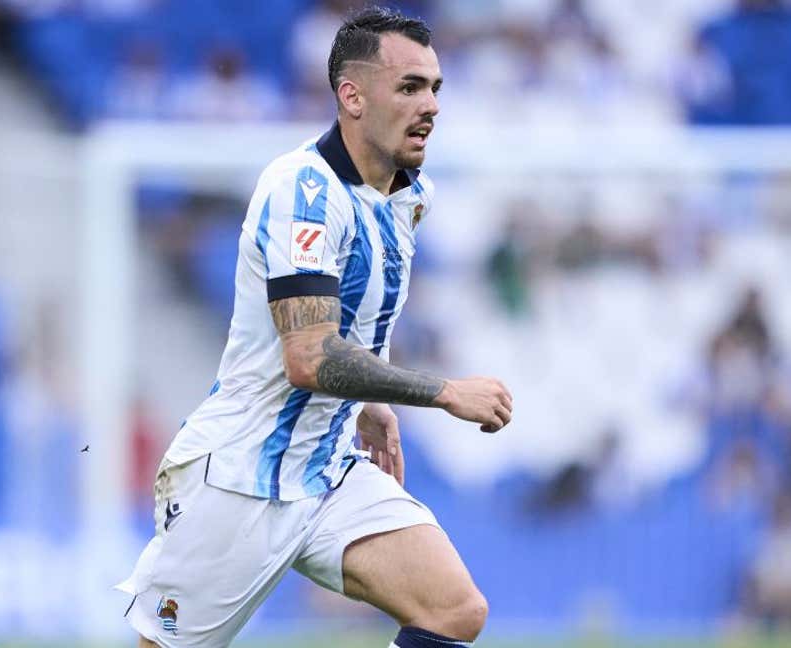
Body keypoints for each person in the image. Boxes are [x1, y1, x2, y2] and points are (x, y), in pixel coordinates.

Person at [117, 7, 513, 647]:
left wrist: (371, 402)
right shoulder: (303, 190)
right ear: (352, 96)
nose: (431, 104)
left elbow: (349, 319)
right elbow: (308, 356)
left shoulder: (408, 196)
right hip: (241, 478)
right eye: (409, 86)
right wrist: (443, 392)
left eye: (436, 87)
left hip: (328, 469)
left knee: (453, 608)